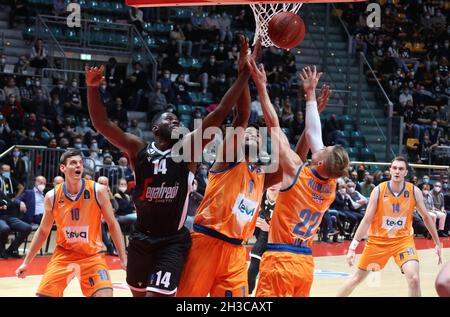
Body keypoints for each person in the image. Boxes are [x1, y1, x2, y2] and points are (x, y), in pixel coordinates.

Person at [85, 35, 256, 297]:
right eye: (169, 118)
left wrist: (244, 73)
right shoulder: (138, 149)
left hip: (172, 242)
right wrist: (92, 88)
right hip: (141, 240)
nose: (175, 120)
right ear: (155, 128)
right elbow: (102, 125)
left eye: (177, 118)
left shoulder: (188, 149)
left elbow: (222, 111)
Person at [177, 38, 284, 297]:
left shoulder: (262, 177)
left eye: (256, 135)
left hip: (237, 252)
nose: (250, 135)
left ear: (262, 145)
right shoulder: (227, 159)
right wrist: (244, 73)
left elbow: (290, 158)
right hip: (206, 242)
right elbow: (241, 117)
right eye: (246, 134)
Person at [251, 64, 349, 297]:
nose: (322, 145)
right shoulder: (331, 184)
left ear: (320, 163)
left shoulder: (296, 170)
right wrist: (311, 98)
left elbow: (274, 126)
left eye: (325, 149)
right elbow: (314, 136)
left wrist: (261, 87)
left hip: (280, 260)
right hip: (305, 263)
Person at [15, 149, 127, 297]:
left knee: (104, 295)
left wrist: (123, 258)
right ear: (63, 168)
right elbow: (43, 231)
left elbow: (112, 224)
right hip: (64, 255)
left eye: (80, 163)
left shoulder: (98, 190)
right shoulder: (52, 196)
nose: (78, 166)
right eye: (73, 163)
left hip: (91, 256)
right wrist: (26, 263)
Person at [337, 157, 442, 297]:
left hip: (402, 241)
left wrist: (437, 243)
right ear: (390, 170)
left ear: (406, 173)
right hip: (378, 241)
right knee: (357, 278)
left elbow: (427, 218)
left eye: (401, 169)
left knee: (414, 279)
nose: (397, 171)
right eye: (394, 168)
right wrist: (352, 247)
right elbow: (367, 220)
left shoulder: (414, 191)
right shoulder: (379, 190)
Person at [247, 184, 280, 295]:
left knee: (272, 278)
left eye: (277, 181)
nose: (273, 184)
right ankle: (248, 293)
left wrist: (269, 227)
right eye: (272, 180)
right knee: (251, 272)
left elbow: (288, 226)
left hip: (278, 240)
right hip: (263, 238)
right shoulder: (261, 195)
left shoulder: (285, 199)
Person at [0, 190, 32, 259]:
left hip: (8, 216)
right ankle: (1, 250)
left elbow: (10, 204)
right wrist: (3, 205)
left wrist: (3, 205)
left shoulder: (0, 192)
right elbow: (5, 204)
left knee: (27, 227)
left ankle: (12, 250)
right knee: (5, 228)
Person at [97, 176, 119, 256]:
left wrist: (110, 194)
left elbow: (116, 207)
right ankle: (110, 247)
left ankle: (115, 246)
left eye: (105, 184)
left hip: (107, 217)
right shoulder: (93, 193)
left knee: (115, 222)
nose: (103, 186)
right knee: (100, 224)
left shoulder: (108, 193)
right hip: (97, 218)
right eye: (101, 183)